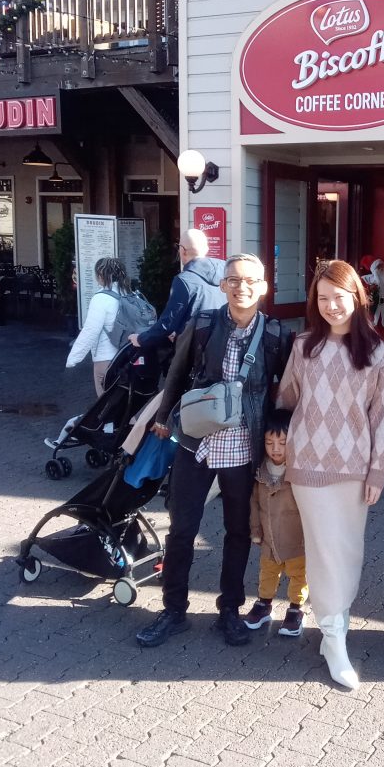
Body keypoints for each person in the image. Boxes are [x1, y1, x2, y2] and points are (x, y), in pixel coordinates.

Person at [135, 253, 291, 648]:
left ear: (264, 287)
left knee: (238, 531)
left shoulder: (275, 334)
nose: (242, 287)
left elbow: (286, 391)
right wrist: (165, 415)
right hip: (196, 440)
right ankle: (173, 610)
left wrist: (283, 438)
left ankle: (229, 610)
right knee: (182, 528)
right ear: (223, 285)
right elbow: (177, 373)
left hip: (244, 445)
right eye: (234, 280)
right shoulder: (202, 323)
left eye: (250, 280)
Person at [277, 260, 384, 690]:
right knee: (325, 550)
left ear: (356, 298)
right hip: (307, 464)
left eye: (338, 298)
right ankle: (333, 637)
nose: (330, 306)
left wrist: (378, 471)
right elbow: (286, 398)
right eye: (322, 299)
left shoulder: (378, 351)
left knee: (348, 550)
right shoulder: (304, 345)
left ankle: (336, 623)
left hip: (354, 467)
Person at [246, 408, 308, 636]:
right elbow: (254, 503)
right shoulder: (260, 472)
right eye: (269, 442)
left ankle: (296, 609)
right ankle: (264, 603)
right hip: (269, 539)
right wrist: (255, 529)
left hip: (296, 540)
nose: (275, 449)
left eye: (282, 443)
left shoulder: (298, 472)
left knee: (298, 575)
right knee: (267, 572)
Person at [128, 228, 225, 352]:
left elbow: (167, 324)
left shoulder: (185, 280)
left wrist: (141, 339)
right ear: (206, 249)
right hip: (223, 347)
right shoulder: (226, 270)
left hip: (195, 351)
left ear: (182, 250)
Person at [66, 257, 131, 396]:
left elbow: (90, 330)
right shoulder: (129, 294)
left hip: (106, 359)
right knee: (124, 406)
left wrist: (73, 359)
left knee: (107, 407)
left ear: (101, 275)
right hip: (128, 357)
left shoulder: (100, 299)